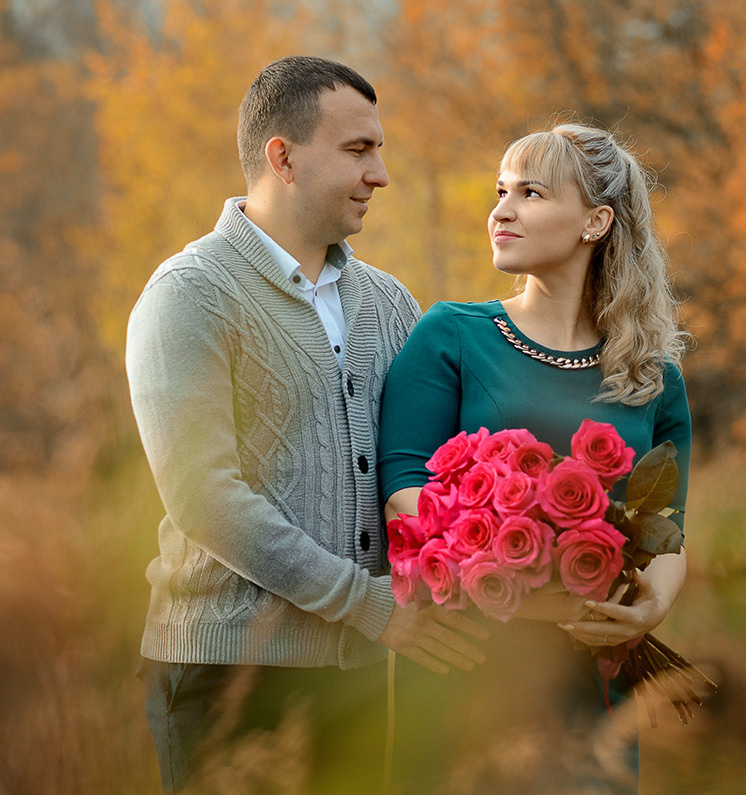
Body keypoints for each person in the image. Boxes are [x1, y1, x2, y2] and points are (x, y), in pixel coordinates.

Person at [126, 55, 487, 794]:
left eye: (380, 150)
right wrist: (372, 607)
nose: (381, 173)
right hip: (224, 673)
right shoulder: (188, 295)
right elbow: (204, 498)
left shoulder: (390, 304)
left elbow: (428, 472)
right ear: (282, 157)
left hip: (361, 672)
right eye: (359, 149)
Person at [377, 121, 692, 793]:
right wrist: (501, 555)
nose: (502, 209)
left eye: (530, 192)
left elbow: (667, 527)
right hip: (464, 655)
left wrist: (649, 609)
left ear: (595, 221)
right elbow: (404, 480)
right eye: (500, 190)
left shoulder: (651, 374)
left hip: (590, 667)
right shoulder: (451, 335)